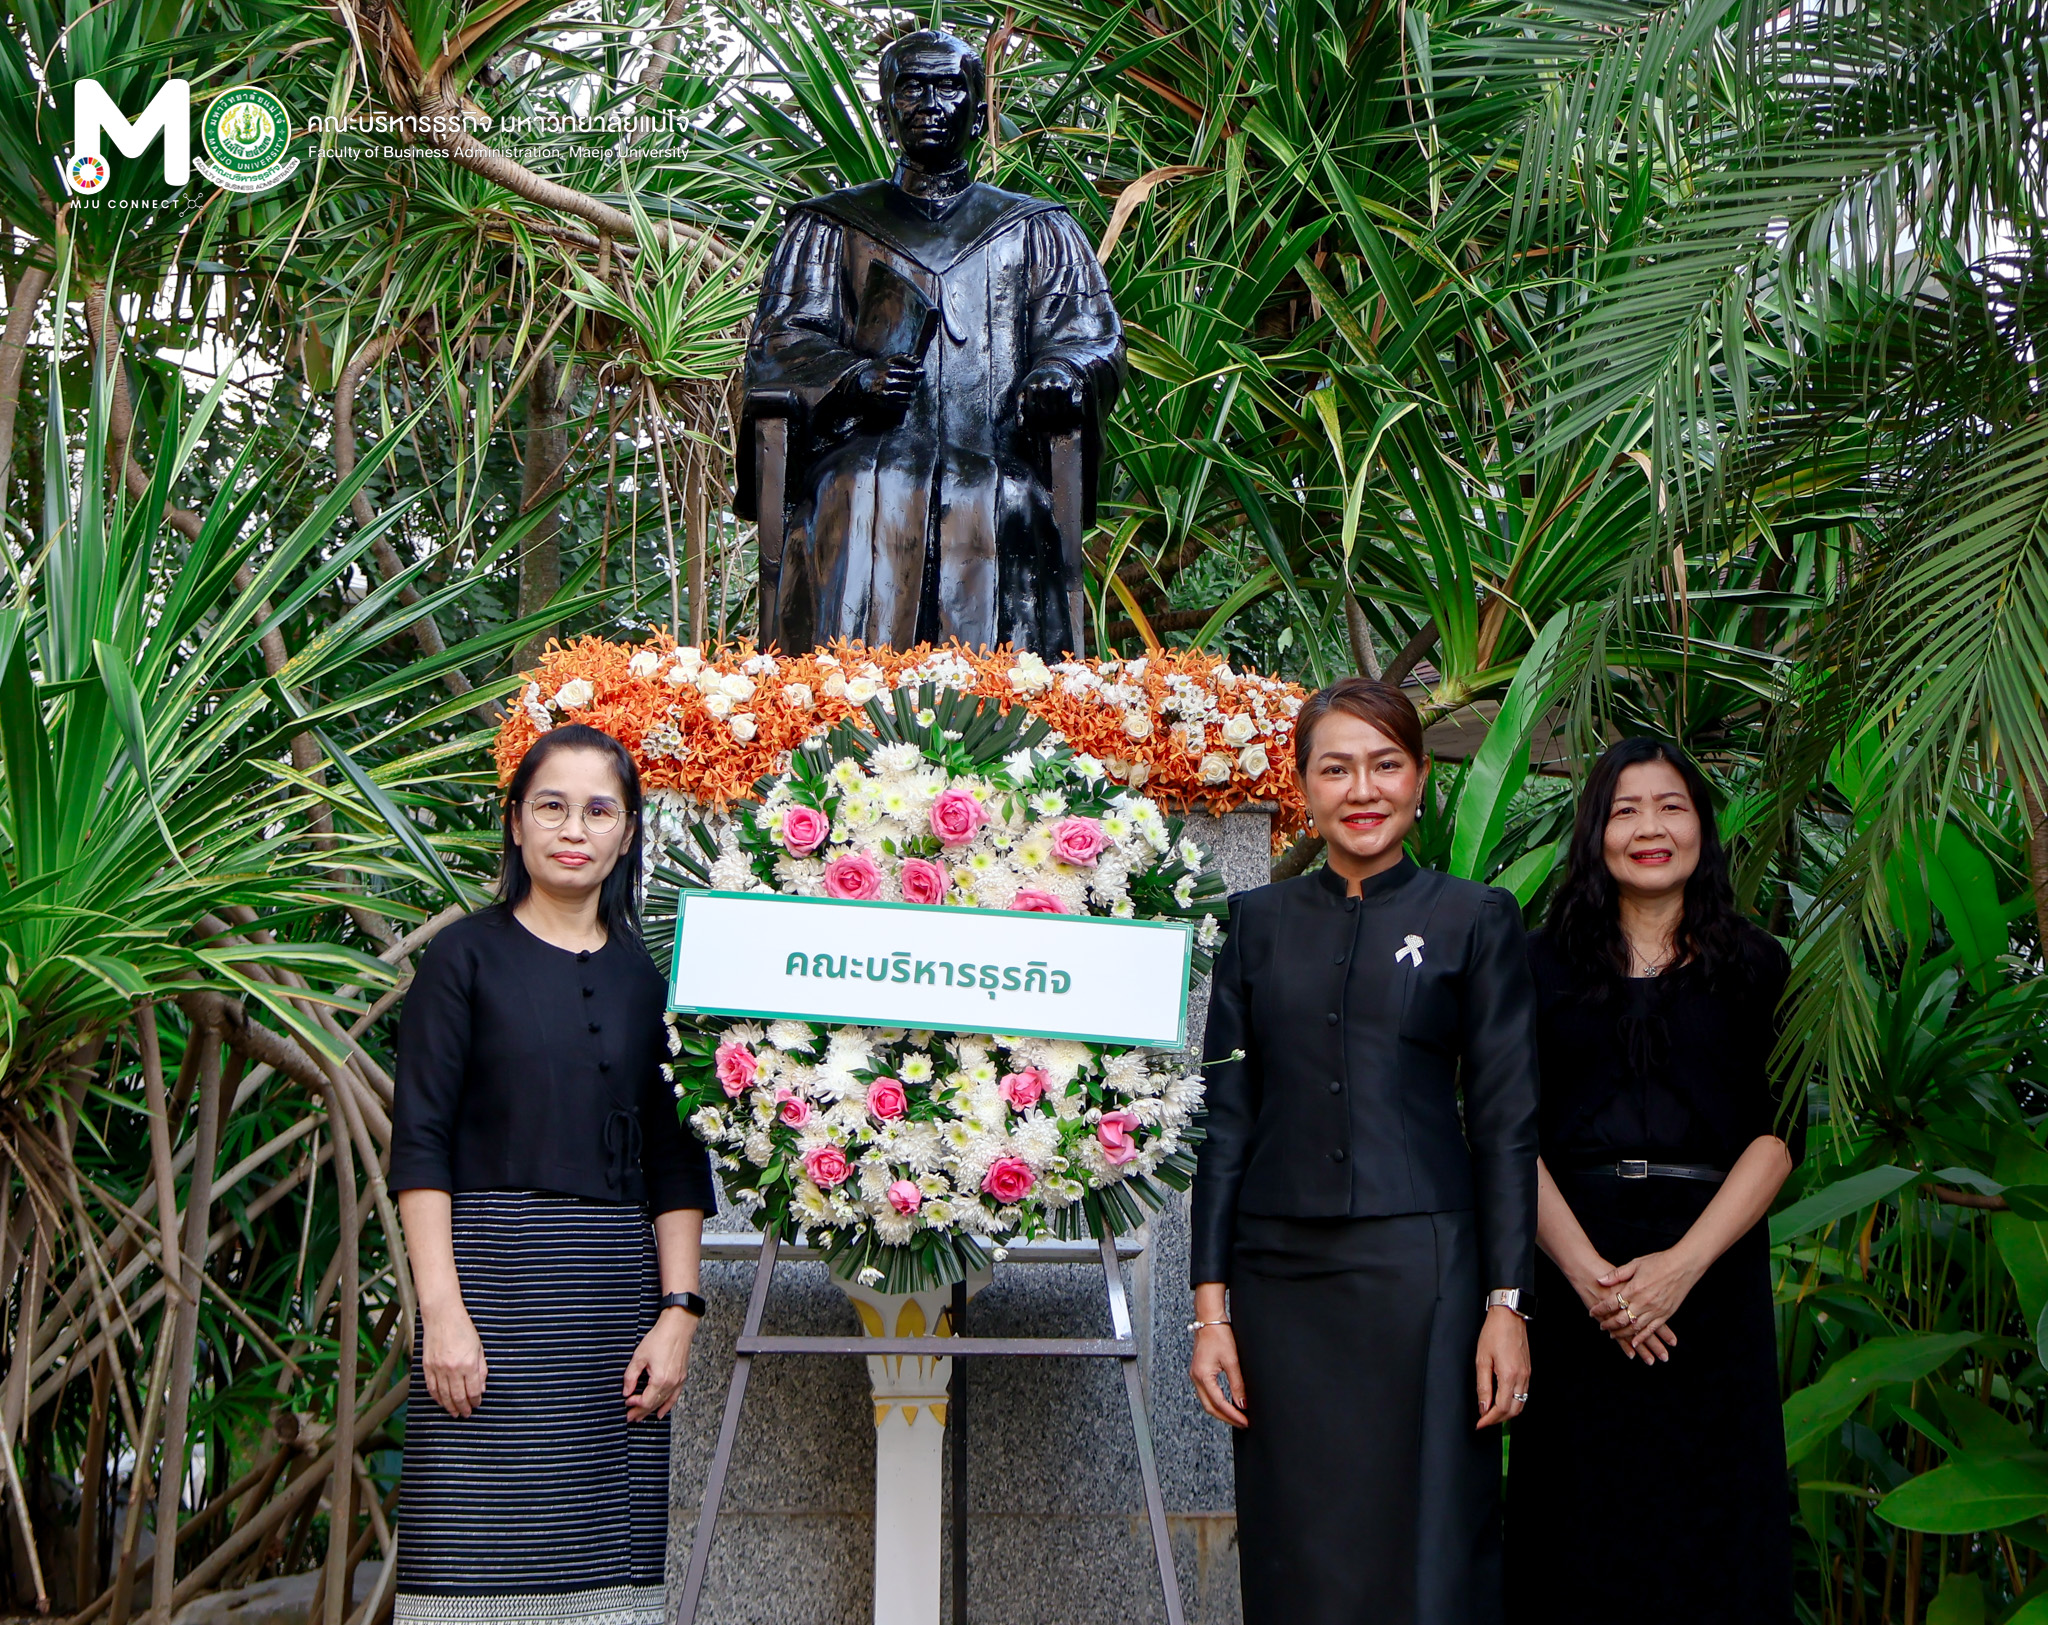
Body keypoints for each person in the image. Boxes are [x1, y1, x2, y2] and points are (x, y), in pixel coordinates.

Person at [1189, 675, 1539, 1625]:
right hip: (1279, 1278)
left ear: (1421, 779)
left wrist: (1508, 1303)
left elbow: (1507, 1123)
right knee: (1295, 1539)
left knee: (1431, 1535)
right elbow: (1225, 1120)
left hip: (1424, 1272)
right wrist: (1209, 1312)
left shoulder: (1477, 918)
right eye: (1336, 768)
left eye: (1386, 764)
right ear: (1302, 787)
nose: (1363, 788)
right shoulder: (1254, 924)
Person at [390, 724, 716, 1625]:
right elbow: (419, 1142)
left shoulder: (653, 978)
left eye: (599, 809)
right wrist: (441, 1314)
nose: (575, 828)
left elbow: (676, 1155)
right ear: (516, 823)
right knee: (465, 1578)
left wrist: (679, 1314)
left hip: (614, 1320)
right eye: (552, 806)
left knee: (606, 1593)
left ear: (628, 830)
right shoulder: (463, 958)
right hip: (486, 1309)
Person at [1504, 737, 1799, 1623]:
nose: (1649, 828)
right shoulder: (1535, 964)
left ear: (1701, 827)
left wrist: (1677, 1269)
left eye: (1670, 806)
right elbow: (1507, 1132)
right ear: (1596, 829)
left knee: (1716, 1524)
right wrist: (1595, 1279)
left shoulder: (1756, 965)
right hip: (1572, 1267)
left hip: (1712, 1275)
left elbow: (1777, 1138)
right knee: (1579, 1521)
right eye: (1625, 809)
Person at [738, 27, 1125, 656]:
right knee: (864, 487)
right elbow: (779, 343)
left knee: (1002, 497)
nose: (930, 103)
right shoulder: (828, 227)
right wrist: (851, 377)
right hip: (861, 459)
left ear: (978, 112)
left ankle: (1005, 709)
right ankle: (842, 701)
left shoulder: (1038, 230)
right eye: (911, 87)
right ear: (887, 110)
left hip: (999, 462)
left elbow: (1088, 337)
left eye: (949, 87)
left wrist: (1063, 374)